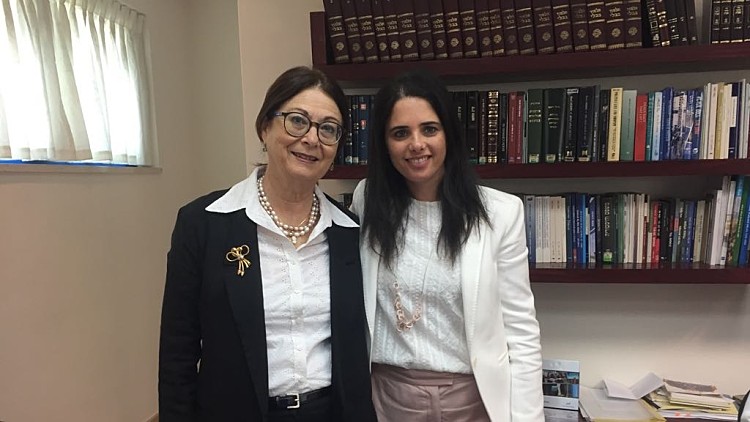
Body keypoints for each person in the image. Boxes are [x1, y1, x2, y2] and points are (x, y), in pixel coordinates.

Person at [159, 66, 377, 422]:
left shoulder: (348, 231)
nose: (312, 138)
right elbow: (177, 354)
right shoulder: (203, 224)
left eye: (328, 129)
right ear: (264, 126)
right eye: (297, 121)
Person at [350, 69, 544, 422]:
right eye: (400, 133)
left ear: (448, 134)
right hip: (386, 399)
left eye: (429, 129)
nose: (416, 144)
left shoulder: (500, 213)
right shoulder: (367, 201)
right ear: (384, 143)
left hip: (471, 400)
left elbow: (521, 332)